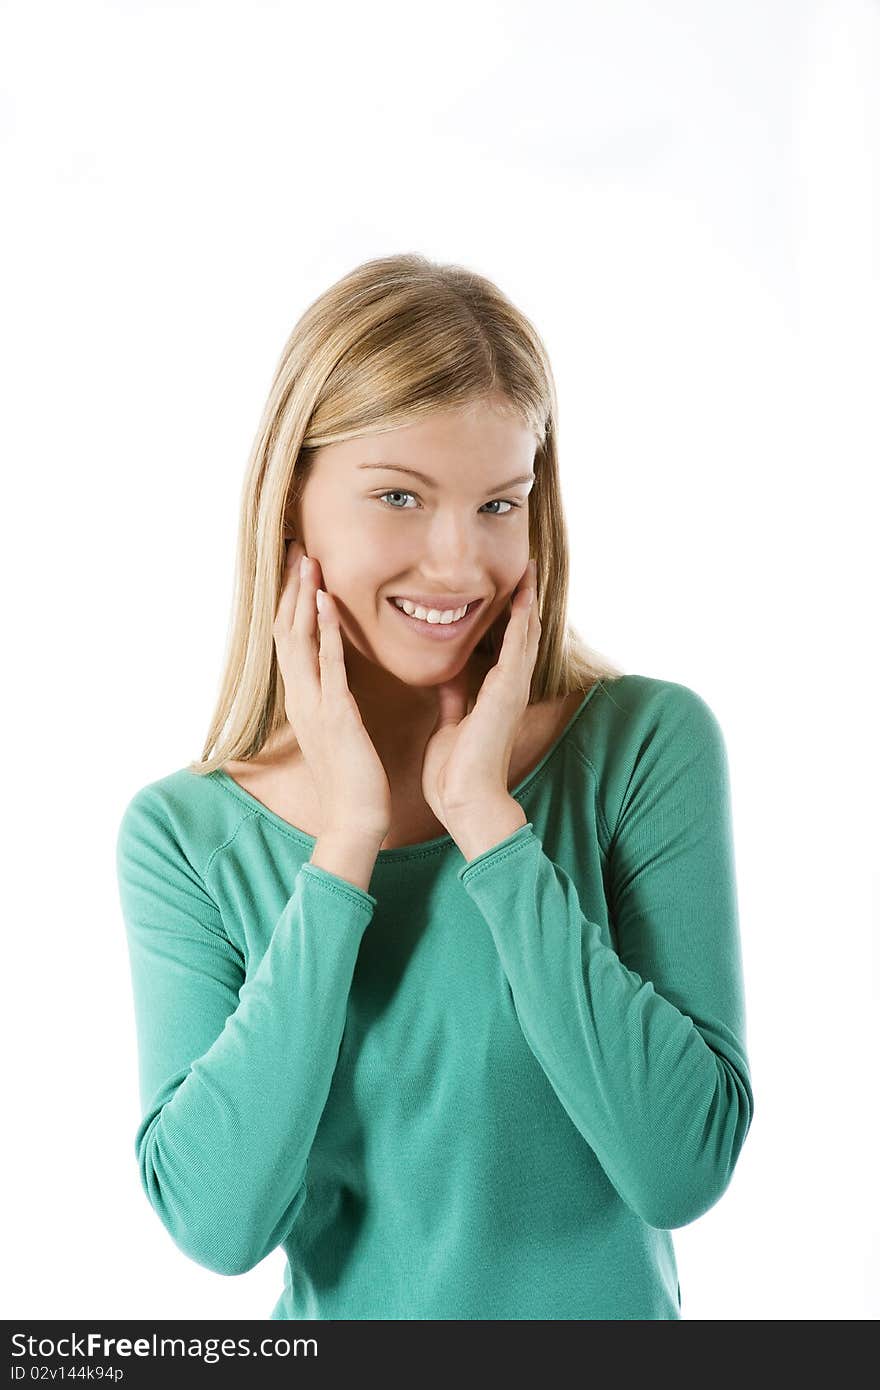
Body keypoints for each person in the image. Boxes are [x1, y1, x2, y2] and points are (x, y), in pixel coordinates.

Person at [116, 252, 754, 1320]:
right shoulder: (185, 835)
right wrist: (344, 848)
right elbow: (218, 1226)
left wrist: (493, 835)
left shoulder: (643, 747)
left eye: (499, 503)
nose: (459, 565)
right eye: (399, 496)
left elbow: (679, 1168)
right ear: (293, 507)